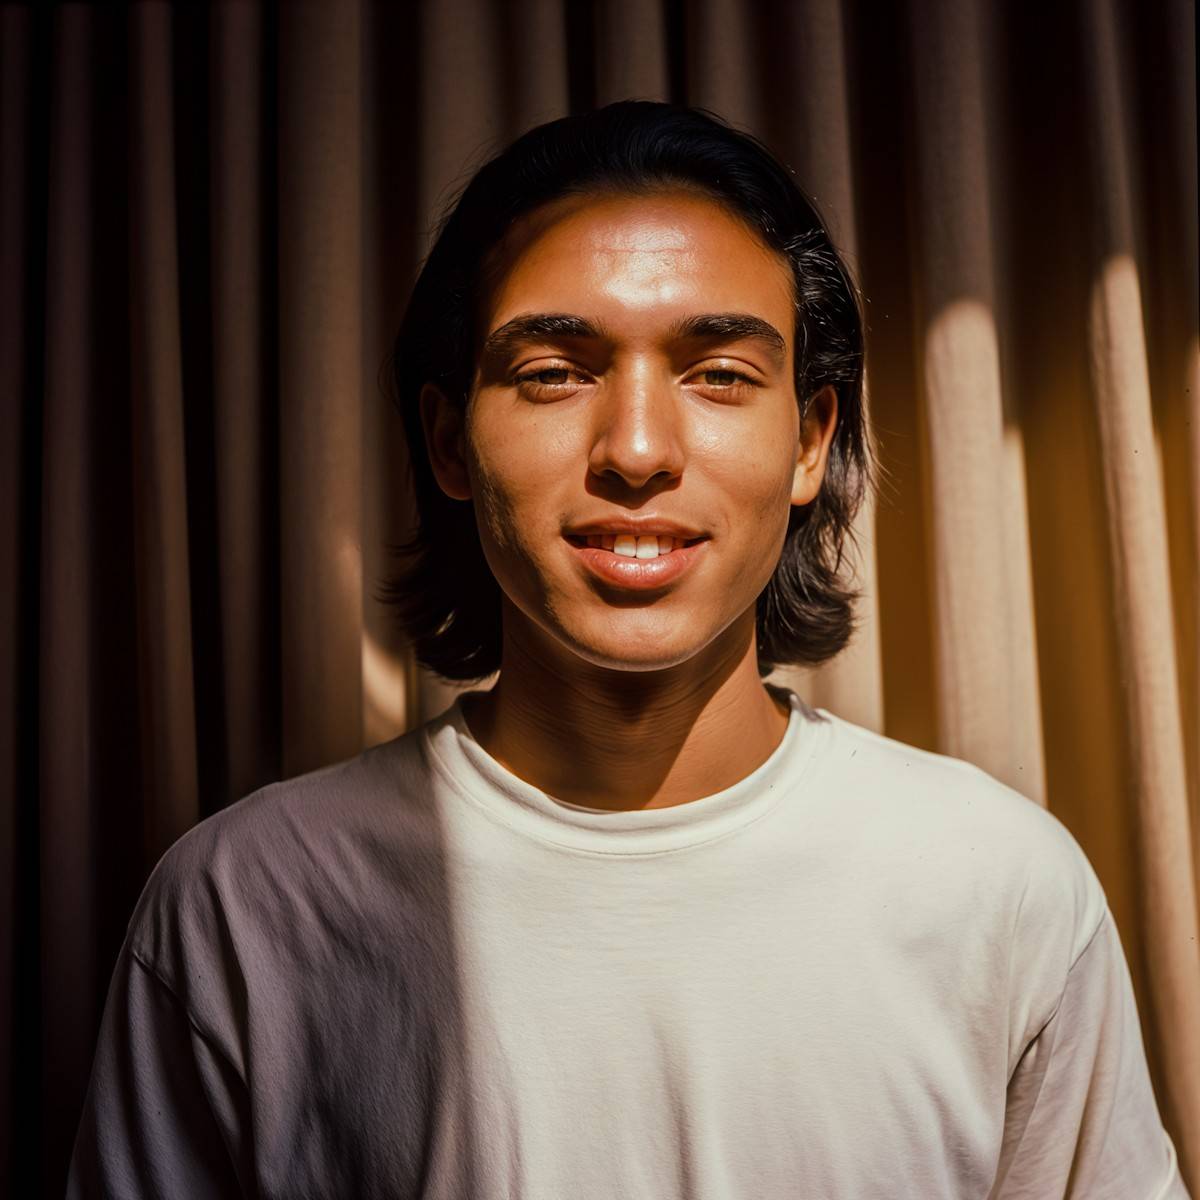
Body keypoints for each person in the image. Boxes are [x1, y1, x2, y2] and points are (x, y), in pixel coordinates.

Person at [67, 101, 1187, 1199]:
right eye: (554, 371)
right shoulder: (246, 907)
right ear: (449, 439)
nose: (639, 450)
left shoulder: (1002, 890)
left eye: (720, 375)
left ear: (810, 440)